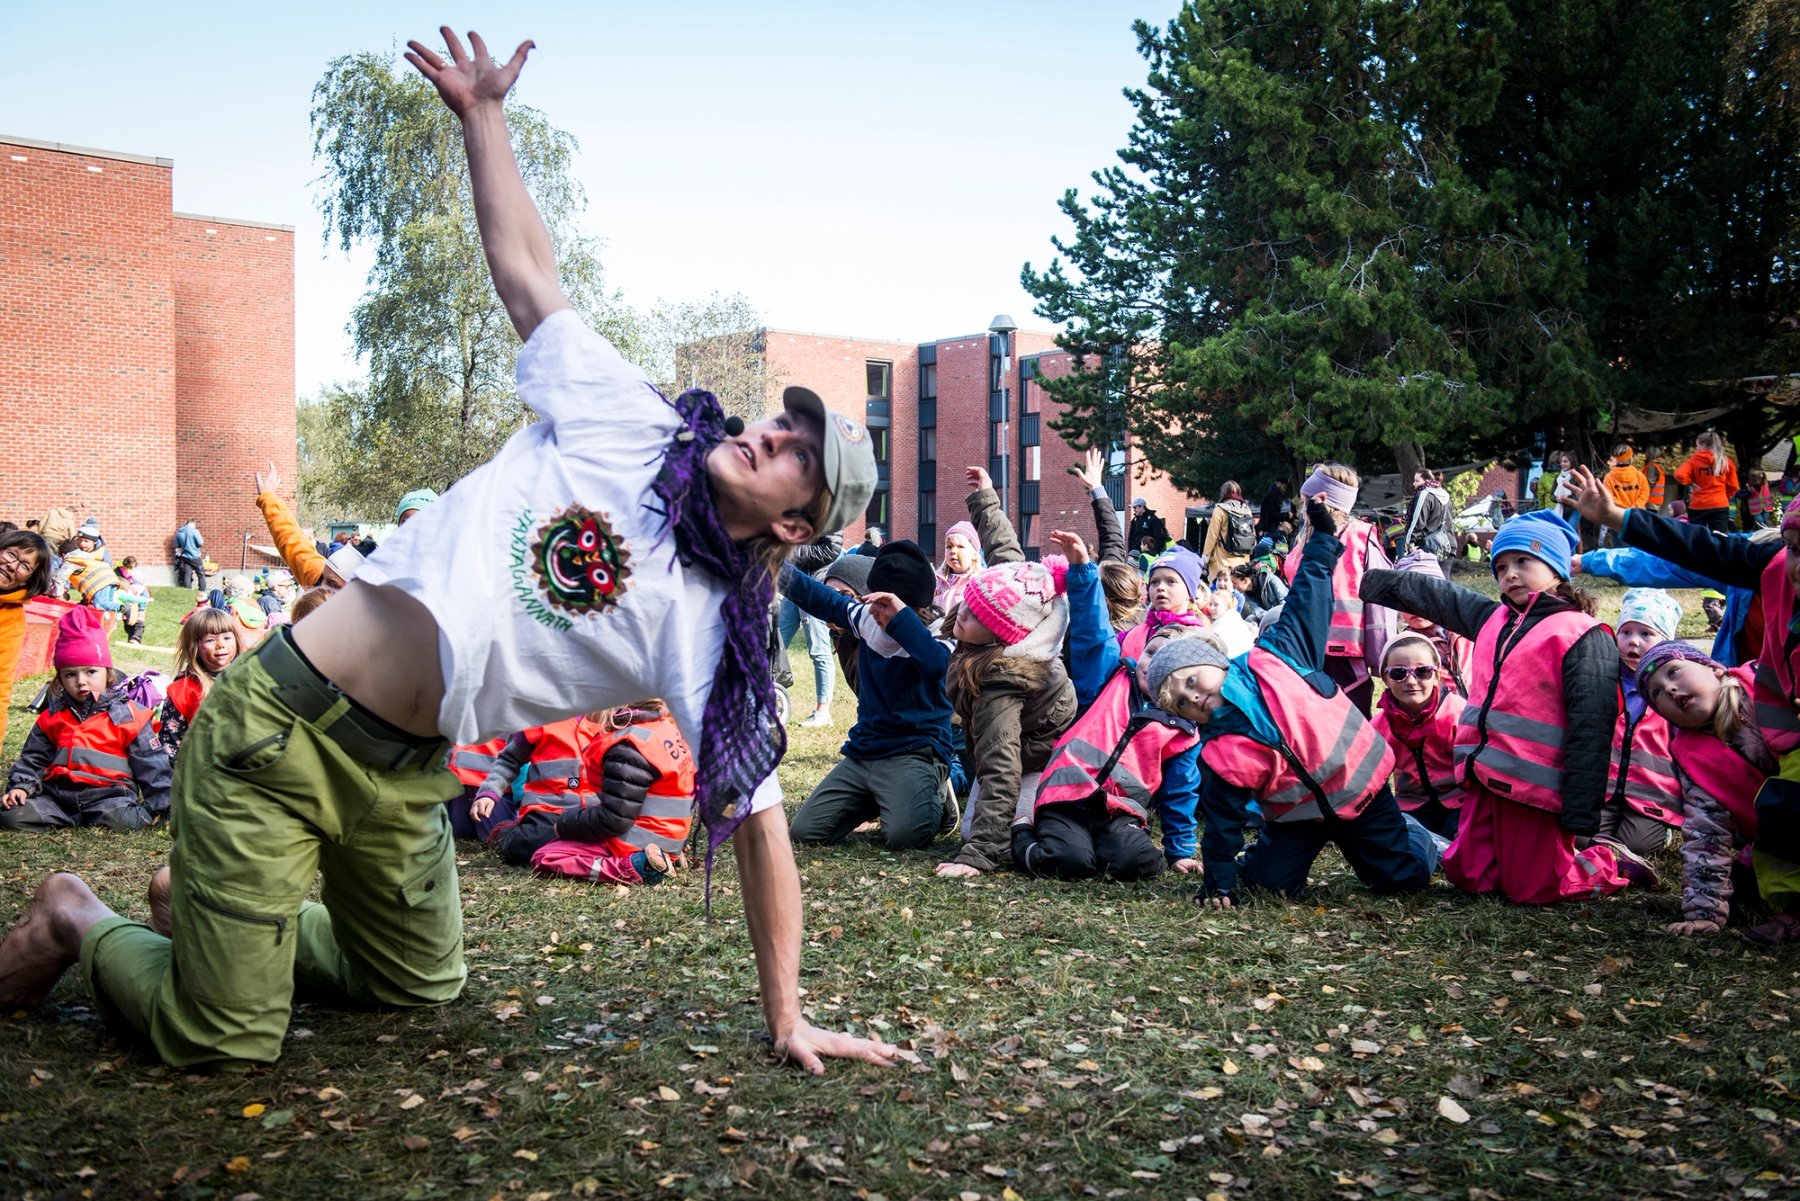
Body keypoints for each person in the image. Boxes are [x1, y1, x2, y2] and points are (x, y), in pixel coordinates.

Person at [0, 28, 894, 1077]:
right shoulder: (634, 424)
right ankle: (78, 916)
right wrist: (483, 117)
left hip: (406, 775)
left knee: (415, 987)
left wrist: (787, 1016)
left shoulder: (711, 638)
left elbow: (760, 824)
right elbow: (529, 275)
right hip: (284, 728)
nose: (771, 433)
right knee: (223, 1040)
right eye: (783, 421)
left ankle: (211, 921)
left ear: (798, 525)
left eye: (797, 455)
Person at [1157, 498, 1440, 906]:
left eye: (1191, 681)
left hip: (1364, 796)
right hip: (1297, 819)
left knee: (1403, 879)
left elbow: (1309, 596)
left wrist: (1323, 539)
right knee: (1269, 887)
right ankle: (1267, 858)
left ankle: (1410, 830)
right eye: (1181, 703)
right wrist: (1217, 882)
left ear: (1212, 661)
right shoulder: (1218, 751)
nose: (1193, 697)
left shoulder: (1276, 655)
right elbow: (1223, 823)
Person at [1360, 510, 1646, 903]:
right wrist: (1375, 582)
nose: (1510, 574)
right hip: (1485, 775)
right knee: (1469, 876)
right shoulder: (1495, 618)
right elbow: (1442, 598)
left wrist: (1581, 809)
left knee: (1536, 889)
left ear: (1557, 567)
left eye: (1523, 562)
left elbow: (1593, 726)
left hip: (1537, 789)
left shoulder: (1584, 634)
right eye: (1501, 566)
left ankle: (1608, 860)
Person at [1012, 529, 1202, 881]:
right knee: (1068, 862)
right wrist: (1082, 570)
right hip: (1066, 797)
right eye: (1149, 653)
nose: (1151, 664)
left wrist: (1180, 850)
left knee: (1142, 863)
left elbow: (1180, 789)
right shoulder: (1112, 677)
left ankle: (1102, 844)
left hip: (1120, 811)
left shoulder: (1182, 727)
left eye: (1165, 662)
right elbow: (1093, 632)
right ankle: (1023, 831)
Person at [785, 542, 956, 851]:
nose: (874, 611)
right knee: (805, 831)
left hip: (915, 751)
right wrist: (768, 563)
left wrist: (900, 620)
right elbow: (816, 596)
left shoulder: (940, 632)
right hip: (866, 751)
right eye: (872, 602)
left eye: (883, 604)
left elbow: (935, 666)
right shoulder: (865, 618)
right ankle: (879, 798)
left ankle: (938, 797)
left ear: (907, 605)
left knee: (905, 838)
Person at [1636, 641, 1800, 945]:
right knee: (1741, 886)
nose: (1670, 690)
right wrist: (1704, 914)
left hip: (1791, 807)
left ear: (1714, 668)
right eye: (1657, 694)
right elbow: (1706, 837)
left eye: (1674, 672)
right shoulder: (1693, 759)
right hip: (1778, 833)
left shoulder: (1764, 685)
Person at [937, 559, 1077, 879]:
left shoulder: (1001, 684)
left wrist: (977, 855)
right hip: (1020, 746)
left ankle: (1052, 812)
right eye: (969, 601)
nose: (964, 611)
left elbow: (1002, 765)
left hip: (1044, 761)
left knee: (976, 833)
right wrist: (981, 504)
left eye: (978, 614)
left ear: (1002, 636)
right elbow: (999, 537)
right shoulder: (987, 644)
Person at [2, 608, 171, 831]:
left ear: (108, 673)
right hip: (57, 797)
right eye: (70, 674)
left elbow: (152, 765)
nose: (81, 681)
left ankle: (129, 815)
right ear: (60, 679)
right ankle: (64, 817)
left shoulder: (130, 715)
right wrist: (21, 787)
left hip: (110, 797)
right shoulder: (51, 716)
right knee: (9, 817)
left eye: (91, 672)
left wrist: (165, 806)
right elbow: (34, 757)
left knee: (123, 819)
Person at [523, 701, 696, 885]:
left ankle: (633, 867)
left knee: (547, 856)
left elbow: (614, 819)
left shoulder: (629, 745)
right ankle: (668, 856)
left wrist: (564, 823)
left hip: (637, 841)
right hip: (670, 835)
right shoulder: (663, 726)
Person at [1281, 464, 1394, 716]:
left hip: (1343, 653)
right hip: (1302, 644)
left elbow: (1379, 602)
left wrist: (1382, 657)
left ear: (1323, 501)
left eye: (1305, 501)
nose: (1301, 508)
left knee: (1347, 725)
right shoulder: (1304, 537)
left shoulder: (1361, 537)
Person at [1597, 588, 1685, 866]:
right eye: (1626, 633)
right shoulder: (1605, 678)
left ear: (1666, 641)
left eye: (1646, 634)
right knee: (1583, 838)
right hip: (1605, 788)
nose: (1633, 642)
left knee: (1638, 845)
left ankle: (1662, 832)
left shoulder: (1676, 690)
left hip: (1650, 793)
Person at [1370, 632, 1466, 838]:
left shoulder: (1458, 713)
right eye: (1398, 673)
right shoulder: (1379, 726)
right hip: (1412, 805)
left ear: (1437, 676)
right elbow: (1368, 776)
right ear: (1385, 679)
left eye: (1423, 672)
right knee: (1404, 837)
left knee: (1465, 836)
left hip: (1460, 800)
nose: (1411, 681)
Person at [777, 532, 846, 728]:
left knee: (819, 650)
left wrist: (790, 551)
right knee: (776, 642)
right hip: (792, 583)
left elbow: (832, 549)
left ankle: (823, 712)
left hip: (816, 586)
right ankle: (764, 702)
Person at [156, 608, 240, 766]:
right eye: (210, 640)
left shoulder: (252, 679)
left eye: (227, 637)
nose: (220, 645)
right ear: (195, 646)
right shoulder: (182, 691)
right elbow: (170, 745)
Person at [0, 529, 56, 751]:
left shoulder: (11, 621)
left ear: (29, 581)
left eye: (25, 566)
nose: (12, 566)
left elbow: (1, 685)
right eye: (11, 554)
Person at [1674, 431, 1739, 534]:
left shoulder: (1694, 460)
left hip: (1699, 504)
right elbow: (1734, 486)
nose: (1696, 449)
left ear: (1703, 444)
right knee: (1720, 537)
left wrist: (1691, 483)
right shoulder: (1726, 462)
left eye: (1697, 445)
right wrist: (1724, 497)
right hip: (1720, 503)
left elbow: (1679, 474)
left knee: (1696, 536)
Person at [1200, 482, 1258, 584]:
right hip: (1242, 562)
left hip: (1222, 563)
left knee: (1220, 594)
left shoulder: (1220, 510)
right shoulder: (1247, 510)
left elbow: (1211, 536)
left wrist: (1205, 558)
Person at [1401, 471, 1455, 558]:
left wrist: (1410, 543)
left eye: (1417, 481)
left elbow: (1417, 521)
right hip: (1448, 545)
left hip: (1428, 547)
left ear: (1427, 481)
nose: (1413, 484)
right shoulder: (1446, 496)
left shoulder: (1424, 494)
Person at [934, 520, 983, 614]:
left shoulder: (979, 584)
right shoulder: (936, 581)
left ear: (975, 554)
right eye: (949, 547)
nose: (953, 551)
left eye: (960, 547)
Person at [114, 557, 152, 644]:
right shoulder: (136, 587)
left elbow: (141, 598)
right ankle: (133, 639)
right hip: (133, 610)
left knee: (135, 625)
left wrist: (141, 610)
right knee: (135, 625)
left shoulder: (128, 586)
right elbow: (143, 598)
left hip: (134, 610)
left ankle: (135, 639)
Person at [173, 519, 207, 590]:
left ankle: (187, 590)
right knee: (201, 573)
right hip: (194, 555)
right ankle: (202, 589)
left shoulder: (179, 531)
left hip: (184, 555)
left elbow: (176, 544)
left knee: (187, 573)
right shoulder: (194, 531)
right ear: (193, 524)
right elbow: (201, 542)